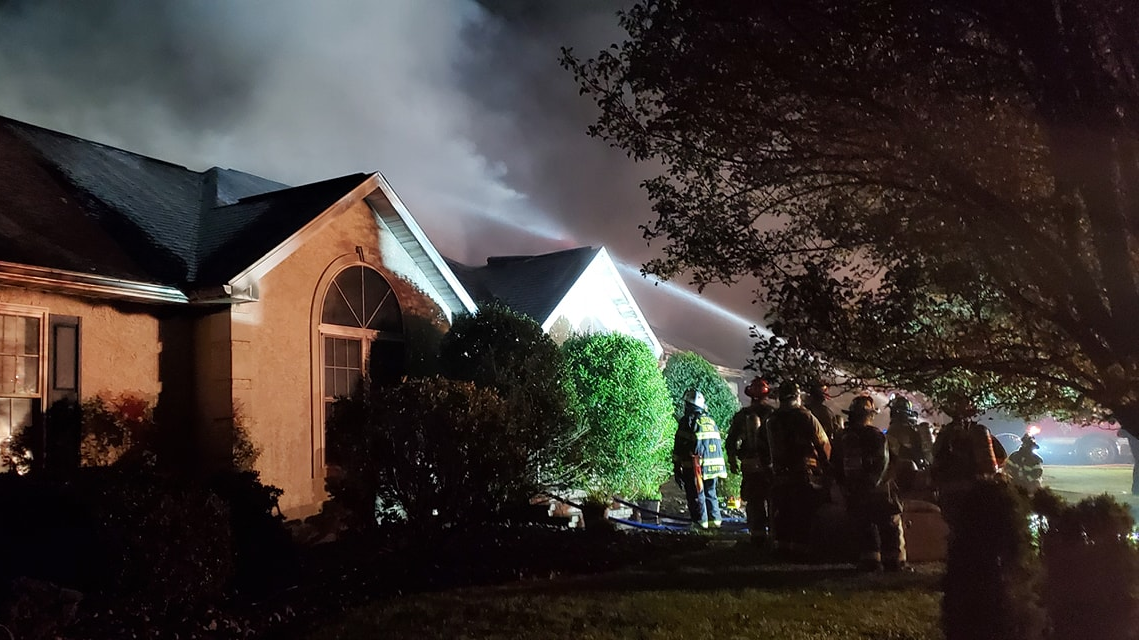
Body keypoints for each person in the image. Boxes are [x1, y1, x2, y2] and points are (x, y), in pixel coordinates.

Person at [832, 395, 906, 572]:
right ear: (869, 415)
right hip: (879, 492)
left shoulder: (842, 437)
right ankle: (893, 562)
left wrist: (846, 487)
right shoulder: (876, 435)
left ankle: (870, 562)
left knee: (865, 526)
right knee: (889, 525)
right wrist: (873, 484)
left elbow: (835, 464)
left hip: (854, 491)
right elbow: (884, 462)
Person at [765, 381, 832, 559]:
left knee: (783, 512)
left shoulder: (772, 420)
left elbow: (764, 447)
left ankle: (781, 548)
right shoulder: (806, 417)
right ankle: (800, 550)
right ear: (797, 396)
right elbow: (823, 444)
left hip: (780, 474)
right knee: (802, 513)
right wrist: (827, 467)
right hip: (803, 474)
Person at [929, 397, 1000, 523]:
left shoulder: (946, 433)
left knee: (952, 525)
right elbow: (999, 457)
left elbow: (935, 454)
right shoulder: (979, 431)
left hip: (950, 489)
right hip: (976, 488)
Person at [726, 377, 775, 545]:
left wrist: (732, 461)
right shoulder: (773, 414)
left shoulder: (742, 415)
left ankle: (757, 536)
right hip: (770, 464)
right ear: (766, 395)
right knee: (773, 499)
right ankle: (774, 534)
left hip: (750, 464)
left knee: (754, 501)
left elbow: (731, 440)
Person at [672, 388, 729, 529]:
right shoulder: (710, 421)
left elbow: (680, 445)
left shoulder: (688, 421)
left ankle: (700, 525)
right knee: (711, 494)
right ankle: (715, 524)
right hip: (713, 467)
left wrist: (676, 467)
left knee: (696, 495)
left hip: (696, 467)